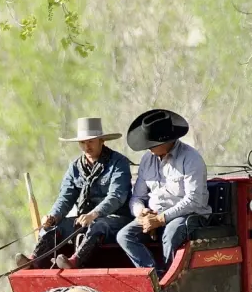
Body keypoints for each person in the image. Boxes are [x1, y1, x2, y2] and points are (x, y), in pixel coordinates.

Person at [15, 117, 133, 270]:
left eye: (90, 141)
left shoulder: (118, 162)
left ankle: (75, 261)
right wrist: (53, 216)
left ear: (101, 140)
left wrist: (94, 214)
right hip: (84, 220)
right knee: (54, 228)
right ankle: (34, 261)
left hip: (116, 220)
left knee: (99, 224)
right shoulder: (75, 167)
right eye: (82, 142)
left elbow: (117, 196)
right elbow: (65, 197)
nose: (86, 146)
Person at [116, 108, 212, 274]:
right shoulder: (147, 159)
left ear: (166, 141)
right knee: (124, 235)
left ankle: (171, 278)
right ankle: (155, 276)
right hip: (155, 215)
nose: (147, 149)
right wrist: (143, 212)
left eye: (151, 145)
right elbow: (137, 196)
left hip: (189, 215)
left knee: (171, 231)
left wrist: (161, 219)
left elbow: (194, 200)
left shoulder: (191, 159)